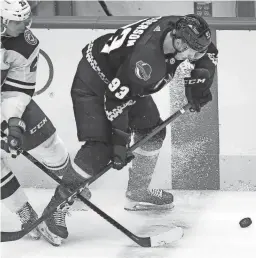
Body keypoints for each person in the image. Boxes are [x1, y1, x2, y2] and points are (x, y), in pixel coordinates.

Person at [39, 14, 218, 246]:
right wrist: (119, 143)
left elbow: (208, 53)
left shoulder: (183, 29)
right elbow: (116, 101)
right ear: (179, 43)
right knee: (100, 149)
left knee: (152, 131)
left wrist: (200, 80)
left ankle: (137, 192)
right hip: (95, 81)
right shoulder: (147, 62)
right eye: (192, 52)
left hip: (124, 78)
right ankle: (54, 209)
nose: (194, 58)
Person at [1, 0, 91, 241]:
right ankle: (26, 213)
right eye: (17, 22)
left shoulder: (25, 45)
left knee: (48, 142)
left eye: (25, 20)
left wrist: (12, 120)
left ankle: (73, 185)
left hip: (6, 101)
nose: (24, 26)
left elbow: (18, 92)